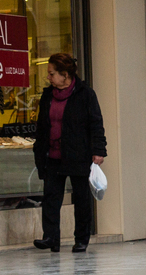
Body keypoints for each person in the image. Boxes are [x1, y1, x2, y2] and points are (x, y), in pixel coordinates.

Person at [33, 53, 107, 254]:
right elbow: (42, 126)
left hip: (78, 155)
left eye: (51, 73)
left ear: (64, 75)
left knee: (82, 200)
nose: (49, 77)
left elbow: (96, 124)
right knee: (50, 198)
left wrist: (99, 151)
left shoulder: (85, 94)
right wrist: (39, 151)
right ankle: (51, 238)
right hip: (53, 156)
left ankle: (81, 239)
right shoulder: (48, 96)